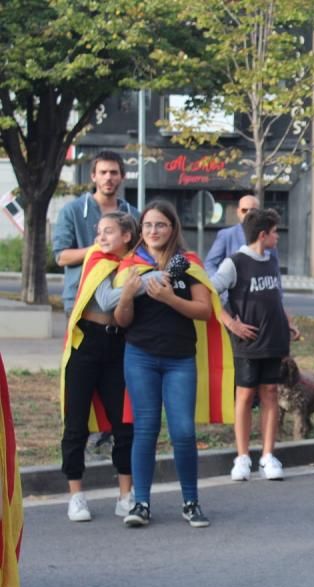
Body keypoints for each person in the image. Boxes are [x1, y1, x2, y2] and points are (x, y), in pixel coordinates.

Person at [114, 201, 223, 528]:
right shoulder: (132, 265)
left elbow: (204, 312)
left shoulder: (188, 264)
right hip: (140, 356)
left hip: (179, 359)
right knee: (144, 430)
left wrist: (169, 298)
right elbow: (122, 320)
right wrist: (126, 296)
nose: (153, 231)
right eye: (147, 225)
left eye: (160, 225)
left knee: (183, 432)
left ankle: (191, 502)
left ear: (172, 228)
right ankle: (141, 504)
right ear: (140, 230)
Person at [59, 212, 141, 522]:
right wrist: (143, 284)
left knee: (124, 423)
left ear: (127, 236)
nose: (100, 237)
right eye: (98, 232)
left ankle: (125, 495)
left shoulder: (133, 265)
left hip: (116, 346)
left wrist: (143, 280)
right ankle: (76, 496)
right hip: (85, 346)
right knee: (75, 423)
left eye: (108, 232)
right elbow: (106, 301)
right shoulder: (96, 258)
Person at [211, 208, 300, 483]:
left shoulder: (272, 261)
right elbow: (209, 293)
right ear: (263, 234)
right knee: (246, 396)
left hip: (273, 340)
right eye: (275, 232)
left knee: (270, 393)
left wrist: (288, 322)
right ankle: (242, 457)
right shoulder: (234, 262)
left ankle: (267, 456)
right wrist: (231, 323)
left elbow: (275, 298)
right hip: (248, 343)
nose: (277, 237)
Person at [53, 151, 139, 313]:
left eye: (114, 172)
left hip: (123, 299)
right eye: (103, 172)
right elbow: (61, 257)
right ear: (93, 176)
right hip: (81, 300)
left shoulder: (133, 214)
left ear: (122, 177)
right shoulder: (72, 211)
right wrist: (96, 248)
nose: (108, 177)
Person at [204, 195, 261, 276]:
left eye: (253, 210)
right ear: (238, 212)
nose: (249, 214)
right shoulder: (227, 235)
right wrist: (221, 284)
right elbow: (209, 264)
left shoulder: (267, 236)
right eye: (244, 210)